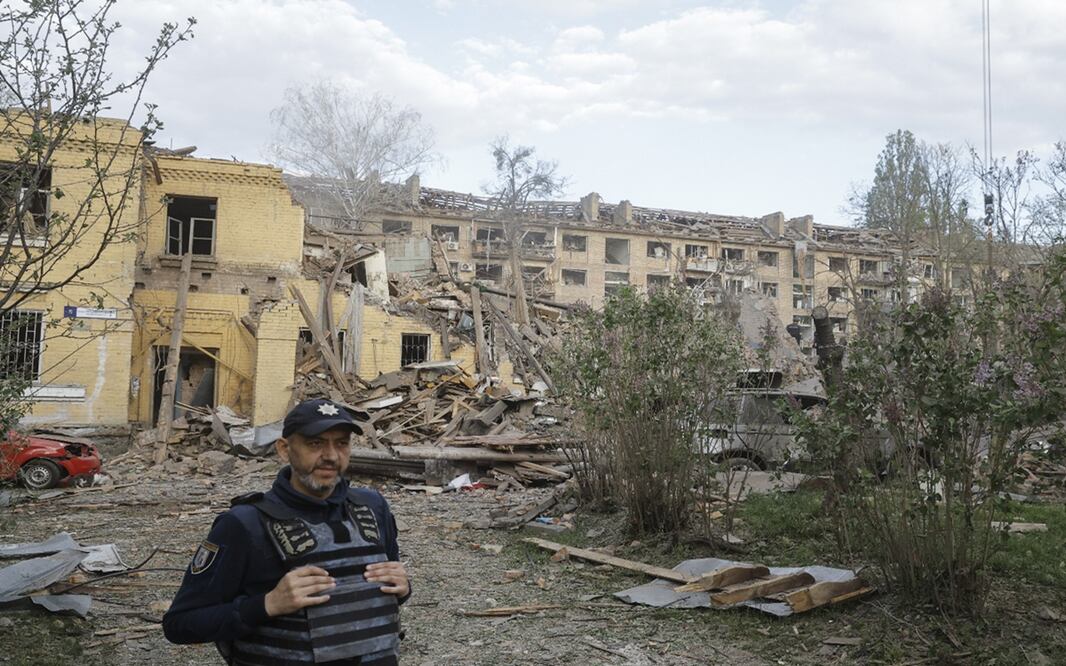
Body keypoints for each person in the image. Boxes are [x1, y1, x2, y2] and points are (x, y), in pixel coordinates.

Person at [163, 398, 410, 665]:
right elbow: (180, 624)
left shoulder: (373, 507)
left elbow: (381, 599)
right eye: (315, 443)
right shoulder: (244, 524)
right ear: (284, 449)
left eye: (341, 443)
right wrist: (266, 604)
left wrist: (403, 588)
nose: (330, 456)